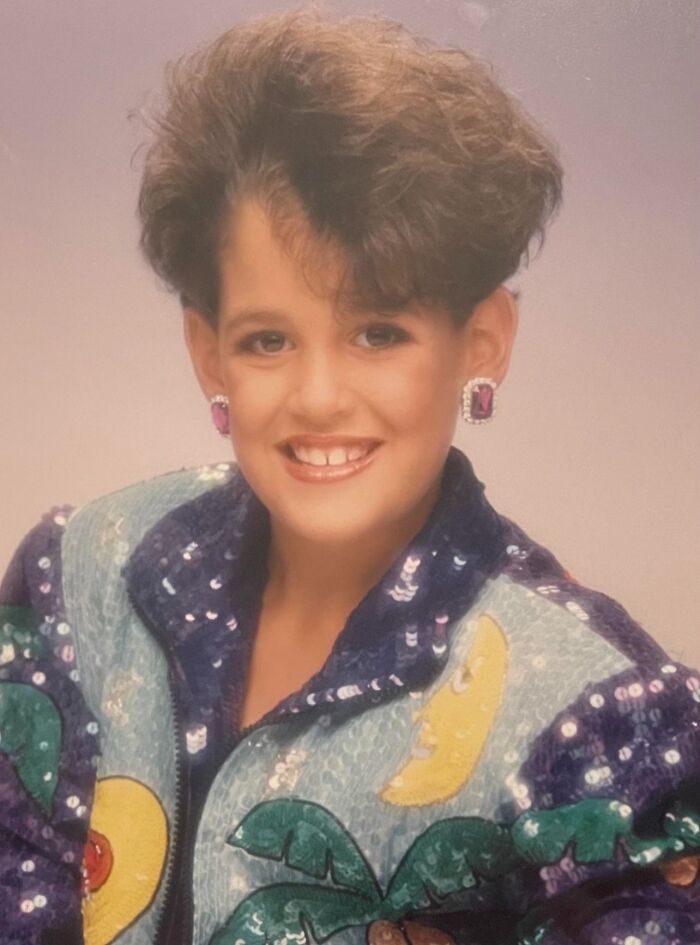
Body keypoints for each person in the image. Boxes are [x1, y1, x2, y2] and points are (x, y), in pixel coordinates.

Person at [1, 5, 699, 944]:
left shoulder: (601, 713)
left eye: (378, 332)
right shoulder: (85, 575)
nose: (319, 396)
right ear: (207, 353)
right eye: (268, 340)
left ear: (481, 340)